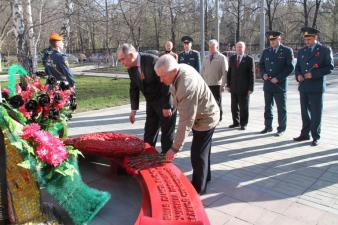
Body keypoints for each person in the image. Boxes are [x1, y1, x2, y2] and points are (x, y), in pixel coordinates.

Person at [154, 54, 220, 195]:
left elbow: (186, 121)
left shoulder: (186, 85)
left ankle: (198, 189)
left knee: (197, 154)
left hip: (206, 118)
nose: (160, 80)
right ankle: (205, 177)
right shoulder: (179, 70)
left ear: (172, 71)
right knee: (203, 149)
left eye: (162, 76)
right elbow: (177, 97)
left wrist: (175, 148)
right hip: (200, 114)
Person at [116, 43, 177, 153]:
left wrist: (167, 105)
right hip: (151, 103)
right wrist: (133, 110)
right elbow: (134, 87)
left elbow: (166, 82)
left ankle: (165, 162)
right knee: (149, 133)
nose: (121, 63)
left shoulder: (152, 60)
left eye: (122, 59)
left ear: (130, 55)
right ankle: (148, 157)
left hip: (165, 101)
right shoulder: (130, 68)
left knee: (166, 135)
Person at [293, 27, 334, 146]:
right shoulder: (302, 51)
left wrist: (314, 74)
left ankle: (316, 136)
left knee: (316, 112)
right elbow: (298, 67)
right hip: (304, 86)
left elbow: (329, 67)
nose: (307, 42)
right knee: (304, 112)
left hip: (316, 86)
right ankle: (305, 133)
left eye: (309, 39)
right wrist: (298, 75)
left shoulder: (325, 50)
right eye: (305, 39)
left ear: (315, 37)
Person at [259, 31, 294, 136]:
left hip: (280, 84)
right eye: (270, 40)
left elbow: (290, 67)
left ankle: (281, 128)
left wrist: (278, 78)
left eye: (274, 40)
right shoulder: (266, 51)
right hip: (268, 84)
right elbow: (261, 65)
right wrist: (263, 74)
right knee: (268, 107)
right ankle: (268, 126)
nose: (272, 42)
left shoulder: (287, 51)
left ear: (279, 39)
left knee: (281, 108)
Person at [227, 41, 255, 130]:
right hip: (234, 87)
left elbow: (252, 74)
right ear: (235, 48)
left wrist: (251, 88)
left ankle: (244, 124)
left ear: (244, 48)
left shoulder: (249, 59)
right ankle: (236, 122)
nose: (239, 48)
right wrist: (228, 85)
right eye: (237, 47)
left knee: (244, 107)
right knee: (234, 106)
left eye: (241, 47)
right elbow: (229, 73)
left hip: (244, 88)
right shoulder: (232, 58)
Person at [201, 39, 228, 121]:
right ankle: (210, 116)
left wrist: (223, 84)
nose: (211, 49)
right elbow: (202, 71)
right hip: (206, 84)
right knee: (207, 102)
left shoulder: (222, 58)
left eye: (213, 47)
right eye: (210, 47)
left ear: (217, 47)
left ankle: (219, 118)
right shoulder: (205, 58)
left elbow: (225, 72)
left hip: (217, 84)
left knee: (217, 102)